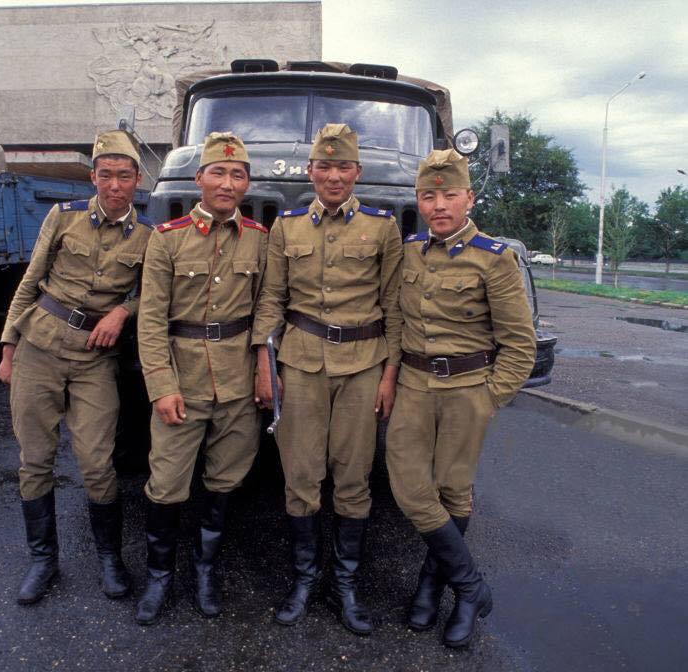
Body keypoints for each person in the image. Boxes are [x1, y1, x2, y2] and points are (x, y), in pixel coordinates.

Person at [251, 123, 403, 635]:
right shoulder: (287, 227)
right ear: (310, 171)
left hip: (362, 364)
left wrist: (390, 374)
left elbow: (393, 307)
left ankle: (345, 585)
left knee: (354, 477)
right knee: (299, 475)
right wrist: (262, 361)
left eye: (344, 167)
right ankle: (304, 579)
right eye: (325, 166)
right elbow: (272, 298)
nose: (334, 176)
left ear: (356, 172)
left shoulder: (383, 228)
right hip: (300, 362)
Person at [385, 148, 536, 647]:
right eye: (429, 196)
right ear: (419, 202)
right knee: (409, 487)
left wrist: (489, 399)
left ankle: (431, 586)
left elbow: (519, 343)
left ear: (468, 198)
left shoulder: (495, 258)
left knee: (453, 489)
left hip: (467, 389)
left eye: (450, 194)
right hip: (413, 383)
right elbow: (399, 321)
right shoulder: (408, 252)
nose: (439, 204)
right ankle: (471, 586)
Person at [0, 130, 151, 605]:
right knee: (35, 460)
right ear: (94, 178)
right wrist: (8, 345)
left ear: (137, 180)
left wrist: (124, 310)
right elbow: (31, 279)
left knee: (98, 464)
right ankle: (43, 561)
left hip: (93, 360)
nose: (114, 186)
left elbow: (153, 295)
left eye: (124, 176)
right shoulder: (62, 218)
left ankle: (110, 559)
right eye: (105, 175)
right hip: (39, 346)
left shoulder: (148, 238)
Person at [135, 132, 268, 625]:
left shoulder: (260, 239)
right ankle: (159, 576)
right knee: (166, 484)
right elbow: (150, 322)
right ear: (199, 179)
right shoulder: (167, 238)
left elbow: (265, 312)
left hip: (236, 383)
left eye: (237, 175)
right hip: (183, 381)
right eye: (218, 172)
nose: (227, 183)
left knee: (225, 481)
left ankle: (205, 570)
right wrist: (161, 386)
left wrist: (263, 372)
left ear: (246, 183)